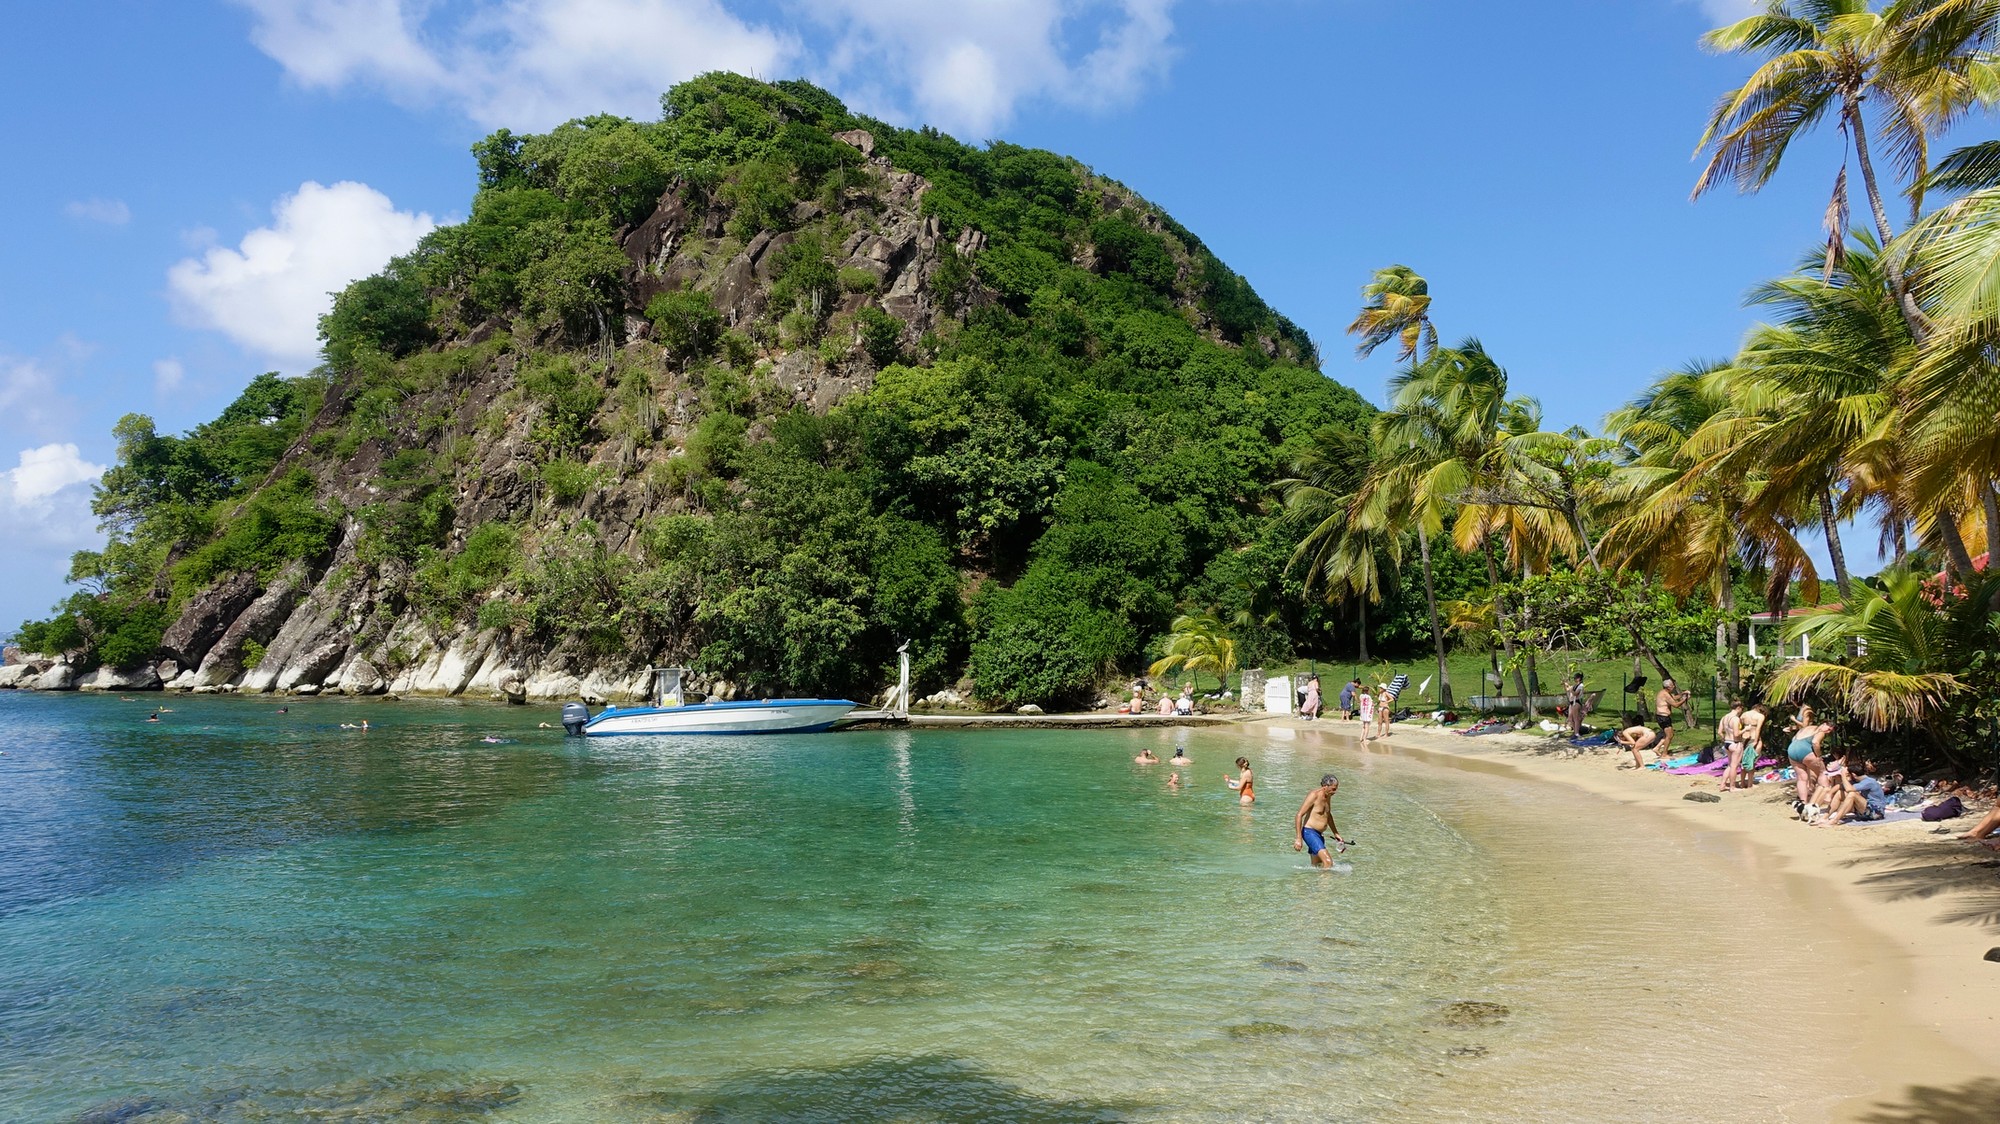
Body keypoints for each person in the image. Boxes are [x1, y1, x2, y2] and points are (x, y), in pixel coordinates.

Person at [1293, 773, 1351, 868]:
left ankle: (1314, 882)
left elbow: (1328, 814)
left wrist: (1336, 833)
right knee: (1328, 862)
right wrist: (1298, 839)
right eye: (1333, 789)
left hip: (1319, 835)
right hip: (1309, 833)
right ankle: (1326, 883)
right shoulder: (1314, 795)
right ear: (1325, 786)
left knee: (1317, 865)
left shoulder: (1328, 796)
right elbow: (1299, 815)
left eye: (1336, 789)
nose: (1335, 792)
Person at [1814, 759, 1887, 825]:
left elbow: (1849, 789)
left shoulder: (1869, 782)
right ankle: (1824, 818)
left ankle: (1835, 820)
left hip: (1876, 812)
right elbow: (1840, 786)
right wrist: (1829, 794)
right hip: (1865, 810)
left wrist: (1843, 776)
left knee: (1852, 794)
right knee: (1840, 793)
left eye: (1849, 775)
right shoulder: (1857, 780)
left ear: (1854, 775)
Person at [1787, 720, 1833, 806]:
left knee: (1801, 778)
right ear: (1823, 724)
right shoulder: (1820, 731)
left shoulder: (1806, 728)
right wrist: (1819, 756)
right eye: (1829, 728)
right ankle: (1826, 797)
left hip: (1792, 749)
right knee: (1823, 772)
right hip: (1805, 750)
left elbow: (1794, 738)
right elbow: (1815, 742)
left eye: (1830, 730)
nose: (1828, 731)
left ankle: (1803, 803)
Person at [1654, 677, 1690, 755]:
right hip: (1663, 717)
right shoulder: (1665, 694)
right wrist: (1684, 699)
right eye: (1672, 685)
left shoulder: (1664, 692)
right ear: (1668, 687)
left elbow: (1673, 698)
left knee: (1669, 734)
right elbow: (1675, 705)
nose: (1674, 687)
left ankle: (1657, 748)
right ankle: (1664, 754)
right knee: (1669, 735)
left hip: (1662, 717)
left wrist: (1683, 694)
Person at [1716, 700, 1747, 790]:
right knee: (1734, 766)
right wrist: (1745, 729)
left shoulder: (1725, 717)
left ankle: (1723, 784)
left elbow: (1719, 732)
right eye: (1742, 708)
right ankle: (1732, 787)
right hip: (1735, 743)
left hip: (1727, 743)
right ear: (1738, 708)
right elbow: (1737, 734)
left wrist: (1724, 738)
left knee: (1730, 765)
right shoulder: (1735, 719)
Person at [1737, 704, 1769, 788]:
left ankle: (1742, 782)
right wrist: (1755, 741)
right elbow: (1758, 729)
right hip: (1754, 737)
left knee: (1744, 761)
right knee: (1752, 761)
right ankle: (1750, 784)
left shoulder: (1744, 714)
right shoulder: (1760, 716)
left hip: (1744, 738)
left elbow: (1739, 726)